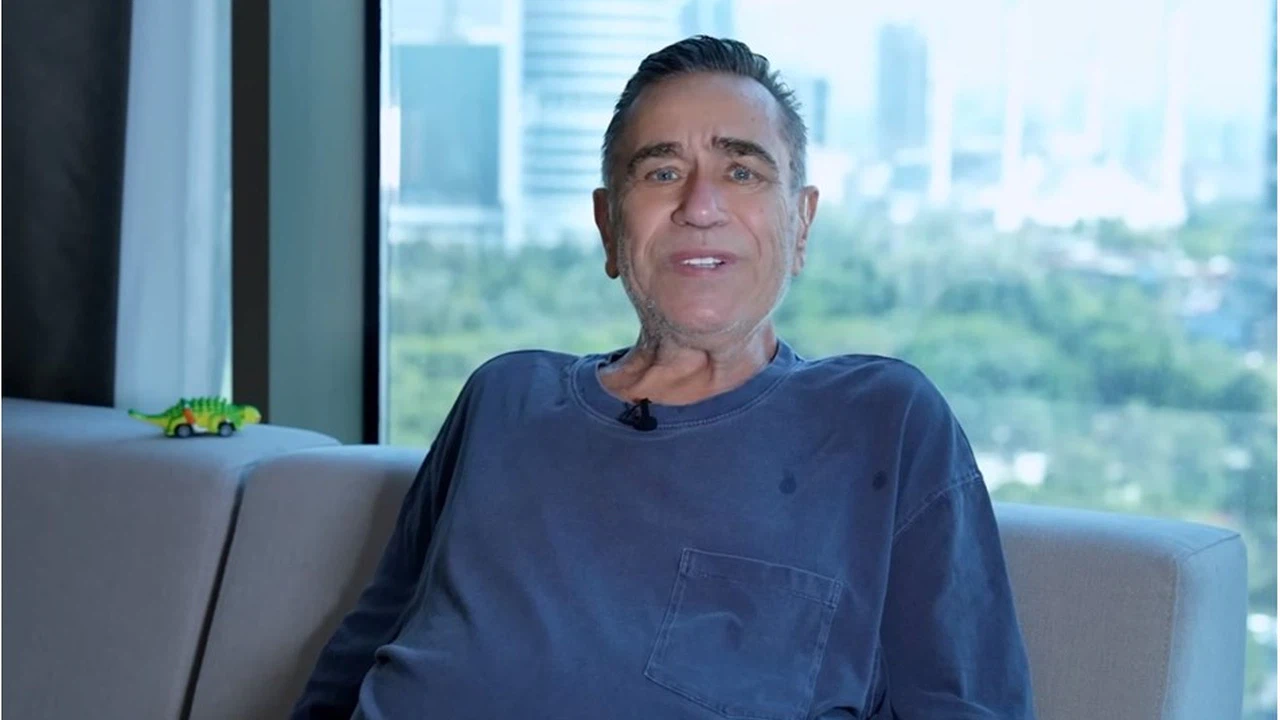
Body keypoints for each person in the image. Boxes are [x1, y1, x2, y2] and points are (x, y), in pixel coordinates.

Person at [291, 36, 1036, 720]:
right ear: (609, 226)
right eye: (662, 172)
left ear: (801, 223)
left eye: (741, 171)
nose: (700, 206)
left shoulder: (885, 424)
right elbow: (350, 670)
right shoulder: (502, 399)